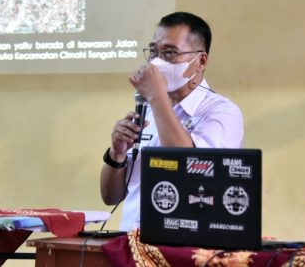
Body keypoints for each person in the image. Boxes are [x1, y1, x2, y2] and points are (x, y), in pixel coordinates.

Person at [100, 12, 244, 231]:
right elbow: (111, 197)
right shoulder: (147, 110)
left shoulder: (222, 112)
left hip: (185, 246)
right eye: (154, 52)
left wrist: (157, 97)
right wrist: (116, 154)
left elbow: (190, 172)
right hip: (130, 244)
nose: (157, 63)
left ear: (200, 61)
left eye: (169, 53)